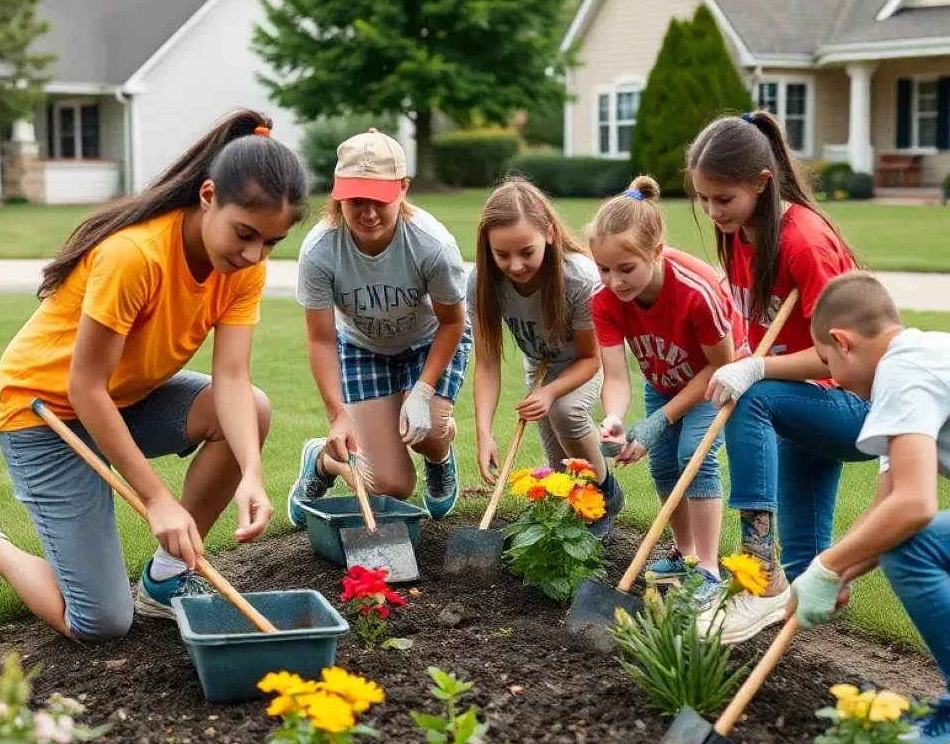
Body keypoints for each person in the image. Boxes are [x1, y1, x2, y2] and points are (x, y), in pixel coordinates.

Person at [0, 111, 307, 641]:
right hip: (45, 413)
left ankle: (165, 582)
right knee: (101, 622)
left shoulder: (243, 268)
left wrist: (251, 470)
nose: (253, 255)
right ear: (207, 196)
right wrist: (158, 498)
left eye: (270, 243)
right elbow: (84, 388)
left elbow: (230, 377)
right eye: (245, 234)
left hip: (126, 400)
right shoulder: (134, 256)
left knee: (254, 404)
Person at [687, 109, 866, 644]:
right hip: (807, 400)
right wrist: (750, 358)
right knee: (809, 574)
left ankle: (757, 573)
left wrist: (756, 367)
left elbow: (843, 357)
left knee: (753, 397)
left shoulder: (803, 243)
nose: (713, 211)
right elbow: (755, 326)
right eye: (704, 198)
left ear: (763, 184)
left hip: (859, 405)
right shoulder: (741, 234)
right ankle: (785, 609)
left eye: (725, 199)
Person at [790, 271, 950, 744]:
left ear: (841, 341)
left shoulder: (902, 375)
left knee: (912, 545)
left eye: (826, 363)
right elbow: (888, 504)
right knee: (902, 538)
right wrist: (833, 576)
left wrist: (827, 567)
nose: (832, 379)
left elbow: (915, 507)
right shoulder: (920, 354)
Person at [288, 129, 469, 524]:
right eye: (356, 201)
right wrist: (338, 416)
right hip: (361, 348)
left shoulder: (431, 245)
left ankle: (440, 457)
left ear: (402, 189)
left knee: (432, 430)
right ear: (338, 194)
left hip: (428, 341)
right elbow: (321, 340)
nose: (368, 214)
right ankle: (321, 462)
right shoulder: (321, 251)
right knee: (391, 484)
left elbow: (454, 322)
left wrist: (422, 391)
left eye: (381, 200)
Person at [589, 175, 742, 585]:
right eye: (603, 269)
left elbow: (720, 366)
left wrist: (659, 421)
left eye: (626, 269)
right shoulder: (605, 300)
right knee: (661, 464)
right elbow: (617, 375)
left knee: (694, 455)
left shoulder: (695, 291)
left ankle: (708, 568)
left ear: (656, 252)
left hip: (718, 378)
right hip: (666, 380)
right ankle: (684, 552)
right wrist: (615, 418)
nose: (614, 282)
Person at [468, 178, 623, 541]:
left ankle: (605, 493)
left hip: (585, 364)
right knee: (561, 472)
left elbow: (590, 357)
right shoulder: (482, 282)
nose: (515, 265)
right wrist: (484, 432)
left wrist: (551, 393)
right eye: (501, 255)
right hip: (539, 363)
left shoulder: (578, 279)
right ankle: (580, 503)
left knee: (565, 412)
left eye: (526, 251)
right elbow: (488, 362)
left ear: (549, 234)